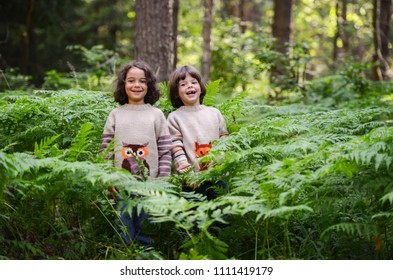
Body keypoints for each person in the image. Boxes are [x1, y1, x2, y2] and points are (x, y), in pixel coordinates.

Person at [101, 60, 172, 246]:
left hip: (150, 187)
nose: (137, 85)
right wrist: (109, 179)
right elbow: (106, 152)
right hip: (121, 187)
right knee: (123, 233)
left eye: (142, 81)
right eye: (131, 80)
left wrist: (162, 182)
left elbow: (165, 151)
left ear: (149, 86)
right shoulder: (115, 114)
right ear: (123, 84)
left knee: (146, 234)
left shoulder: (156, 115)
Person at [167, 65, 229, 200]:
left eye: (194, 82)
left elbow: (225, 139)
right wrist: (185, 169)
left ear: (200, 88)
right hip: (192, 180)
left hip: (218, 175)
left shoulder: (214, 113)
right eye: (183, 84)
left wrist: (223, 162)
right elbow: (175, 145)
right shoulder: (175, 117)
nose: (190, 86)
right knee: (195, 217)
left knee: (222, 216)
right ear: (176, 93)